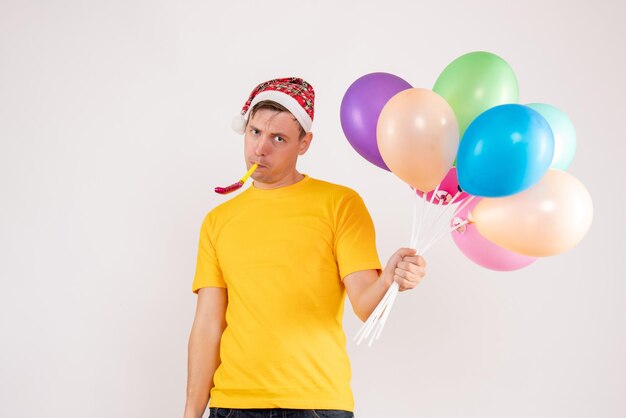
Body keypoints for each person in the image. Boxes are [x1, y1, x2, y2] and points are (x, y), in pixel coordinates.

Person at [184, 77, 426, 418]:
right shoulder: (217, 221)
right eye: (255, 132)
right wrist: (191, 413)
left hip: (317, 405)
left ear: (304, 143)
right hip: (233, 405)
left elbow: (366, 306)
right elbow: (208, 324)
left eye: (278, 138)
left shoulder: (340, 204)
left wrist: (391, 280)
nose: (260, 149)